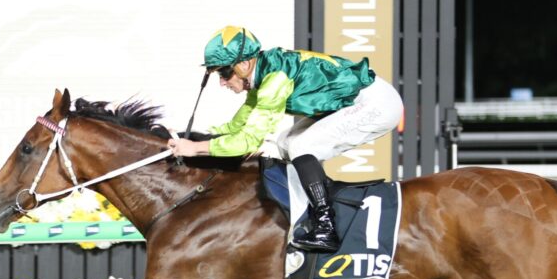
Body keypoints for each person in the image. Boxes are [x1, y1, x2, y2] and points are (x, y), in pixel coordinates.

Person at [168, 26, 403, 252]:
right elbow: (237, 127)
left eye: (224, 72)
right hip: (357, 101)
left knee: (302, 146)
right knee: (284, 143)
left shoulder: (274, 80)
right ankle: (315, 206)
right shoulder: (262, 76)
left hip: (377, 104)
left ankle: (326, 227)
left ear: (244, 64)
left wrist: (195, 149)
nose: (222, 82)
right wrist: (187, 139)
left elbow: (248, 141)